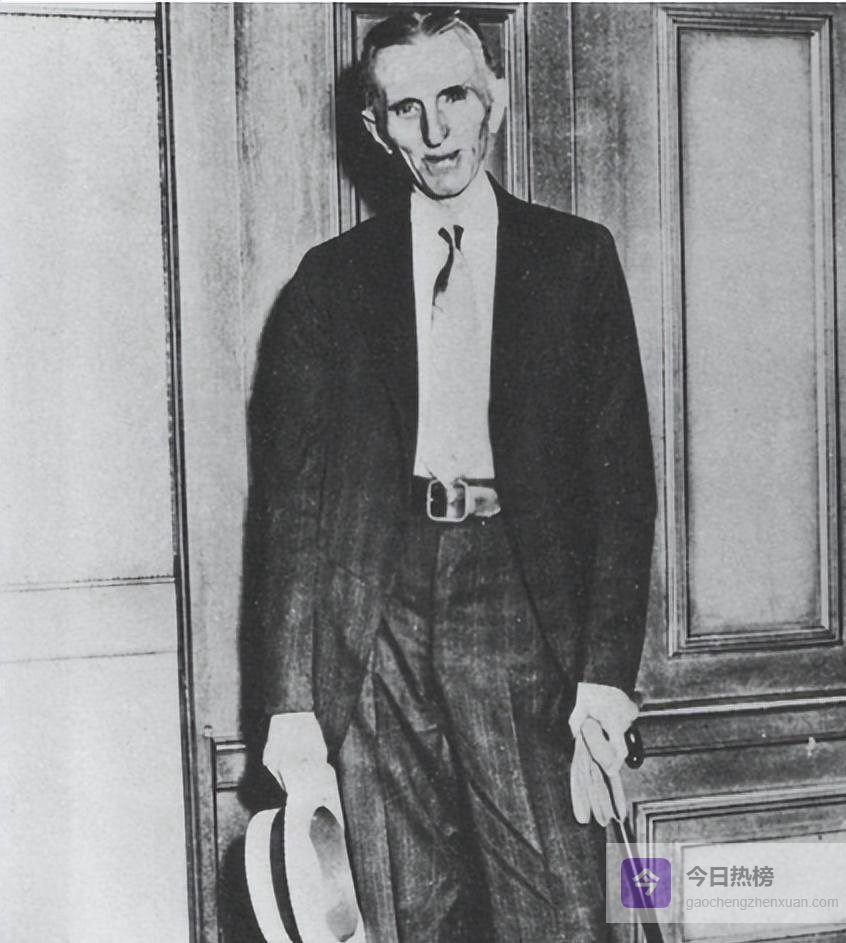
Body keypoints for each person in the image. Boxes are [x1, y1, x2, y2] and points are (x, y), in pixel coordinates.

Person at [244, 8, 656, 942]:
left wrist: (605, 675)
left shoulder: (575, 261)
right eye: (407, 109)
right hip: (374, 615)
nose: (435, 132)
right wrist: (290, 701)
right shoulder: (329, 283)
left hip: (520, 605)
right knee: (401, 911)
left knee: (556, 909)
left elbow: (623, 486)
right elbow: (292, 508)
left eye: (455, 98)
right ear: (376, 127)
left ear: (494, 102)